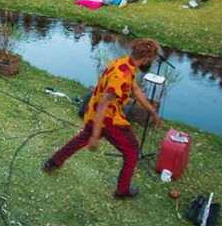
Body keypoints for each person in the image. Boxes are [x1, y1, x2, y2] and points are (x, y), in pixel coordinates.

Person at [42, 38, 163, 199]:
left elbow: (135, 89)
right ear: (147, 59)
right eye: (153, 60)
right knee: (133, 151)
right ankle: (122, 190)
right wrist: (95, 135)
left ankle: (53, 161)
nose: (152, 62)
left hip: (94, 111)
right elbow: (104, 104)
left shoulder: (124, 63)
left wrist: (151, 111)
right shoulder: (122, 75)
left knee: (82, 138)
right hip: (108, 118)